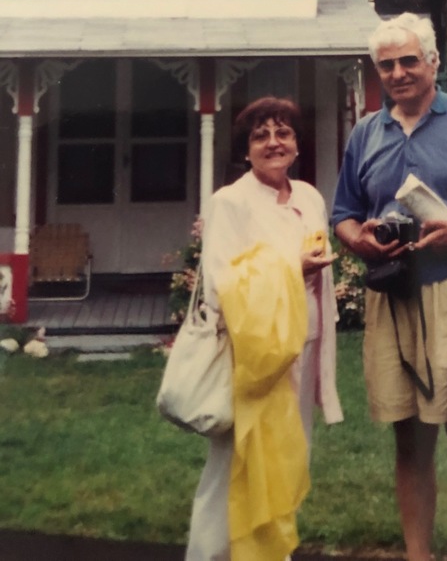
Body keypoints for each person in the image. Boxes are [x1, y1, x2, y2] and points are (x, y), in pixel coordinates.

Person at [331, 13, 447, 561]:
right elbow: (343, 213)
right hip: (392, 300)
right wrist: (359, 240)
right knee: (410, 444)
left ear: (434, 61)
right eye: (386, 65)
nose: (398, 73)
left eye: (409, 60)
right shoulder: (366, 133)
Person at [186, 96, 343, 561]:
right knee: (236, 466)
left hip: (304, 347)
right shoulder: (230, 203)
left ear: (297, 144)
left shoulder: (309, 197)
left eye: (283, 133)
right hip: (252, 358)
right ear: (245, 149)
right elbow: (220, 286)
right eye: (261, 136)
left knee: (288, 459)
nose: (274, 143)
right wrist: (292, 267)